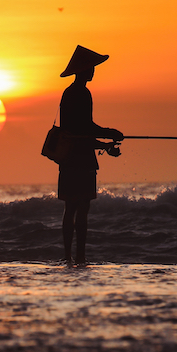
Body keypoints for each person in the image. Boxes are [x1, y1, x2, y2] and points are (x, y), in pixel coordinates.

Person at [57, 45, 123, 265]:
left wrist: (104, 142)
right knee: (82, 209)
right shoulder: (82, 93)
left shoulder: (68, 92)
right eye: (92, 67)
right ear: (84, 69)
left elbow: (79, 131)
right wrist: (109, 134)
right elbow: (86, 128)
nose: (93, 71)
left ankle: (68, 255)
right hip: (82, 160)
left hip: (69, 158)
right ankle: (81, 256)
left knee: (70, 209)